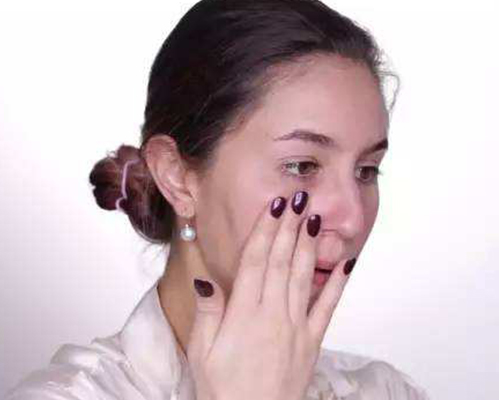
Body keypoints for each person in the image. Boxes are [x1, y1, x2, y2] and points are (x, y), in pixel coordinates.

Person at [4, 0, 430, 399]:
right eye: (302, 166)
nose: (353, 218)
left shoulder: (385, 391)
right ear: (176, 177)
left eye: (366, 171)